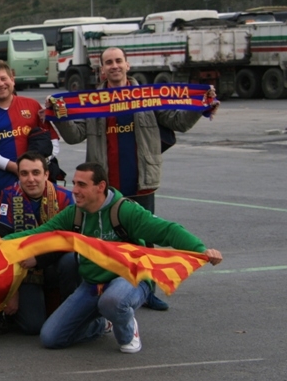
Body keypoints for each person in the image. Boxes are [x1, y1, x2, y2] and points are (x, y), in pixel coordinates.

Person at [0, 162, 223, 353]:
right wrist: (3, 241)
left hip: (129, 277)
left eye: (81, 185)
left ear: (100, 187)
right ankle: (102, 323)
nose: (74, 190)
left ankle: (127, 328)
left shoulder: (124, 210)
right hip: (92, 283)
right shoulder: (74, 213)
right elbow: (41, 234)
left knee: (112, 301)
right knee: (51, 338)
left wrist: (201, 250)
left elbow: (167, 230)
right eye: (74, 184)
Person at [49, 46, 215, 311]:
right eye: (108, 62)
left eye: (118, 61)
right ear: (101, 70)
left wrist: (200, 107)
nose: (114, 66)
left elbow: (178, 122)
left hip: (141, 179)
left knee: (144, 241)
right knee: (108, 242)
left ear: (127, 65)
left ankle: (146, 290)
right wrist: (59, 115)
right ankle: (110, 289)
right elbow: (73, 135)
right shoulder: (92, 102)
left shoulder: (147, 97)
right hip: (106, 186)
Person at [0, 152, 77, 336]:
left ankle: (74, 307)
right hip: (23, 269)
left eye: (36, 173)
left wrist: (39, 258)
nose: (30, 179)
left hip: (55, 263)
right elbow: (4, 244)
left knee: (72, 260)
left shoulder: (65, 198)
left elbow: (72, 241)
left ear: (46, 174)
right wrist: (12, 291)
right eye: (24, 174)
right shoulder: (8, 196)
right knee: (32, 326)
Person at [0, 60, 58, 205]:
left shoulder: (32, 105)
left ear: (12, 80)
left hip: (37, 188)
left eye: (4, 78)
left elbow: (53, 141)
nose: (0, 83)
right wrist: (12, 166)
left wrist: (35, 168)